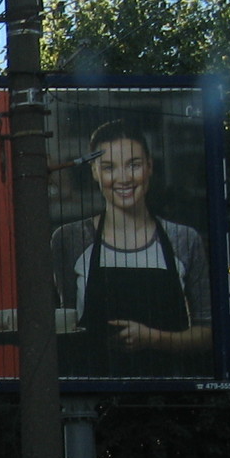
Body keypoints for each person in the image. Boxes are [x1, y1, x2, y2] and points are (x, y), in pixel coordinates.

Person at [51, 119, 211, 377]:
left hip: (168, 395)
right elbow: (65, 330)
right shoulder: (69, 239)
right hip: (91, 396)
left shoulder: (184, 239)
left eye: (133, 165)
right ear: (94, 171)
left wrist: (153, 339)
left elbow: (208, 333)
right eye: (108, 167)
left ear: (149, 166)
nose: (123, 179)